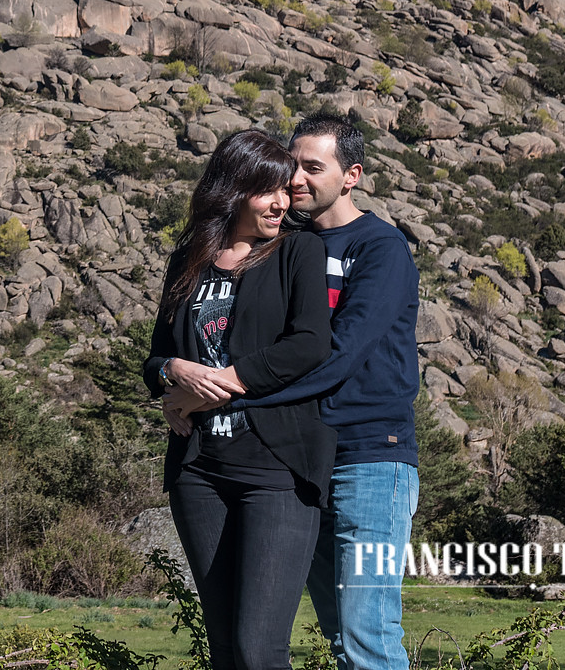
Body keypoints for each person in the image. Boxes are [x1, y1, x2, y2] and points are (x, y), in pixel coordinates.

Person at [166, 115, 420, 670]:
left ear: (351, 175)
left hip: (369, 456)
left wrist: (221, 395)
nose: (296, 181)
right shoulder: (280, 245)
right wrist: (178, 376)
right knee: (336, 633)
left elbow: (336, 356)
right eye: (290, 168)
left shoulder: (379, 248)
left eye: (312, 167)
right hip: (301, 457)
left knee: (367, 636)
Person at [143, 129, 335, 670]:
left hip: (276, 470)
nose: (281, 203)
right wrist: (173, 372)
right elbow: (155, 359)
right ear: (231, 190)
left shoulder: (298, 251)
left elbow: (310, 344)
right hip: (199, 471)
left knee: (259, 649)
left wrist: (217, 387)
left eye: (285, 190)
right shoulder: (189, 259)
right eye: (266, 191)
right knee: (225, 647)